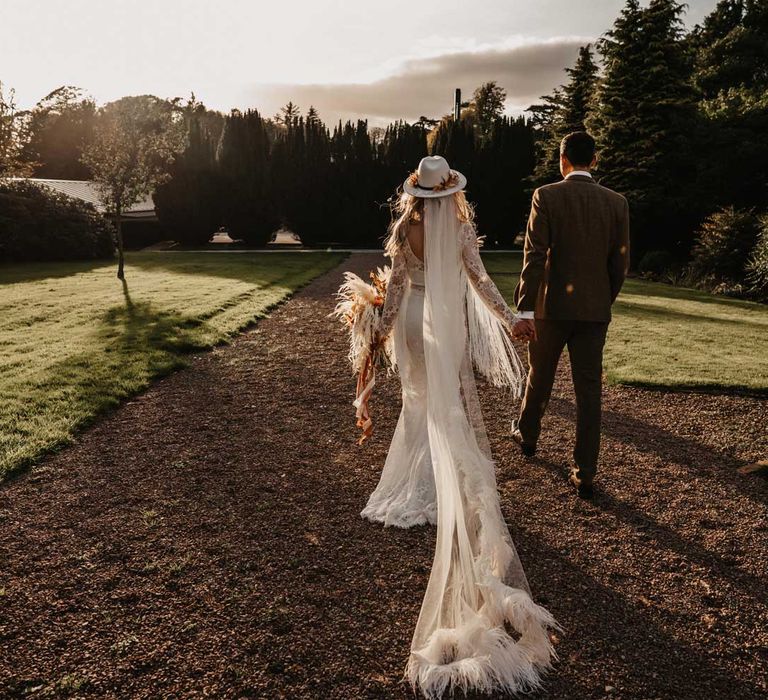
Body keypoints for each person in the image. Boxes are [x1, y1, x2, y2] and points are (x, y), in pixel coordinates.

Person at [364, 155, 557, 698]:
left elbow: (399, 286)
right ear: (449, 193)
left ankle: (415, 487)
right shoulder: (462, 227)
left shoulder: (406, 228)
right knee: (445, 407)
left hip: (410, 323)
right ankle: (433, 487)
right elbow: (478, 279)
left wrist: (376, 328)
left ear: (416, 195)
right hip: (443, 326)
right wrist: (509, 317)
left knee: (418, 403)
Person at [511, 131, 630, 499]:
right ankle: (586, 472)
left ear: (562, 160)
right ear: (593, 160)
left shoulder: (545, 195)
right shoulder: (617, 203)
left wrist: (525, 307)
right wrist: (601, 301)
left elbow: (534, 256)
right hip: (594, 310)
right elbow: (620, 263)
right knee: (589, 389)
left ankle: (528, 435)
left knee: (540, 375)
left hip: (551, 308)